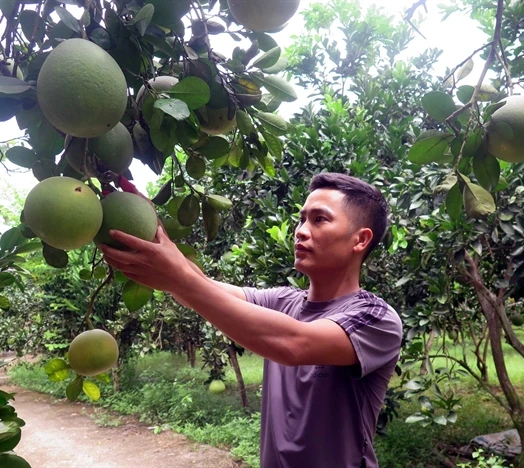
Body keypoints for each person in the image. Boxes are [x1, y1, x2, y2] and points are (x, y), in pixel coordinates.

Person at [100, 172, 403, 468]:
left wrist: (177, 278)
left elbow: (294, 344)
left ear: (360, 240)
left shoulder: (375, 318)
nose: (300, 230)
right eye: (301, 219)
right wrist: (154, 232)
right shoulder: (283, 301)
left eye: (319, 219)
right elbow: (205, 289)